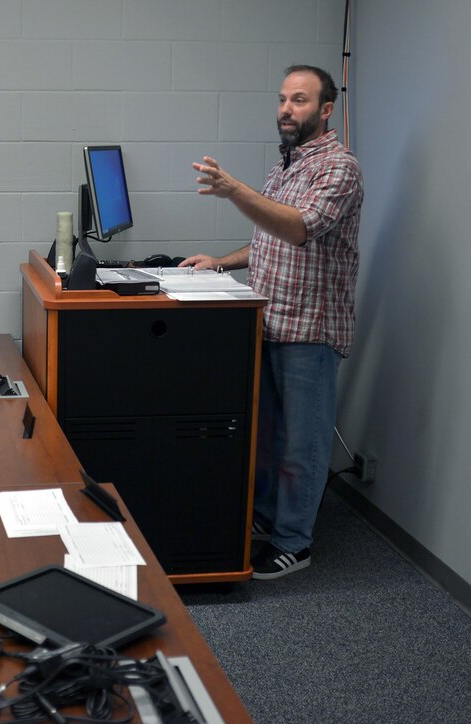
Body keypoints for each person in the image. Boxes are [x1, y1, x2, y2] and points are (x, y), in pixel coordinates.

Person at [179, 65, 364, 580]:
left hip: (310, 328)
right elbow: (268, 240)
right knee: (268, 437)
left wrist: (234, 190)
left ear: (326, 110)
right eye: (283, 99)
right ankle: (269, 520)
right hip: (271, 318)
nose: (286, 109)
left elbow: (298, 228)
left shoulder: (338, 168)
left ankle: (294, 542)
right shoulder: (287, 166)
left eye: (299, 100)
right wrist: (220, 261)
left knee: (301, 445)